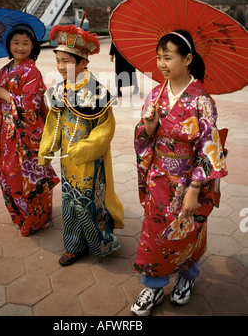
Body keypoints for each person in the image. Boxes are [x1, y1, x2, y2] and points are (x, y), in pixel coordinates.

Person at [131, 29, 228, 316]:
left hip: (189, 180)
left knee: (188, 230)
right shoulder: (155, 93)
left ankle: (187, 277)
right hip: (160, 176)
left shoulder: (201, 99)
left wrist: (195, 189)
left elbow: (209, 147)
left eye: (168, 57)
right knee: (154, 232)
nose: (161, 64)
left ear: (187, 59)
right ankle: (154, 284)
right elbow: (143, 137)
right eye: (159, 57)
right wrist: (148, 128)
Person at [38, 24, 124, 266]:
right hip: (67, 161)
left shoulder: (96, 92)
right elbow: (53, 121)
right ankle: (73, 245)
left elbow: (106, 128)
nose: (61, 66)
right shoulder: (59, 90)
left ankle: (100, 242)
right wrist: (47, 148)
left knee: (89, 203)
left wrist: (86, 148)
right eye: (58, 60)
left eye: (67, 61)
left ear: (83, 62)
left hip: (90, 163)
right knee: (68, 200)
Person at [0, 23, 60, 237]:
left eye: (25, 43)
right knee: (10, 175)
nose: (20, 47)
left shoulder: (32, 71)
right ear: (8, 44)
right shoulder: (3, 70)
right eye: (15, 42)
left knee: (32, 177)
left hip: (27, 135)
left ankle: (37, 218)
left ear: (33, 46)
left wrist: (5, 95)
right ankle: (18, 214)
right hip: (7, 135)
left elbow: (31, 106)